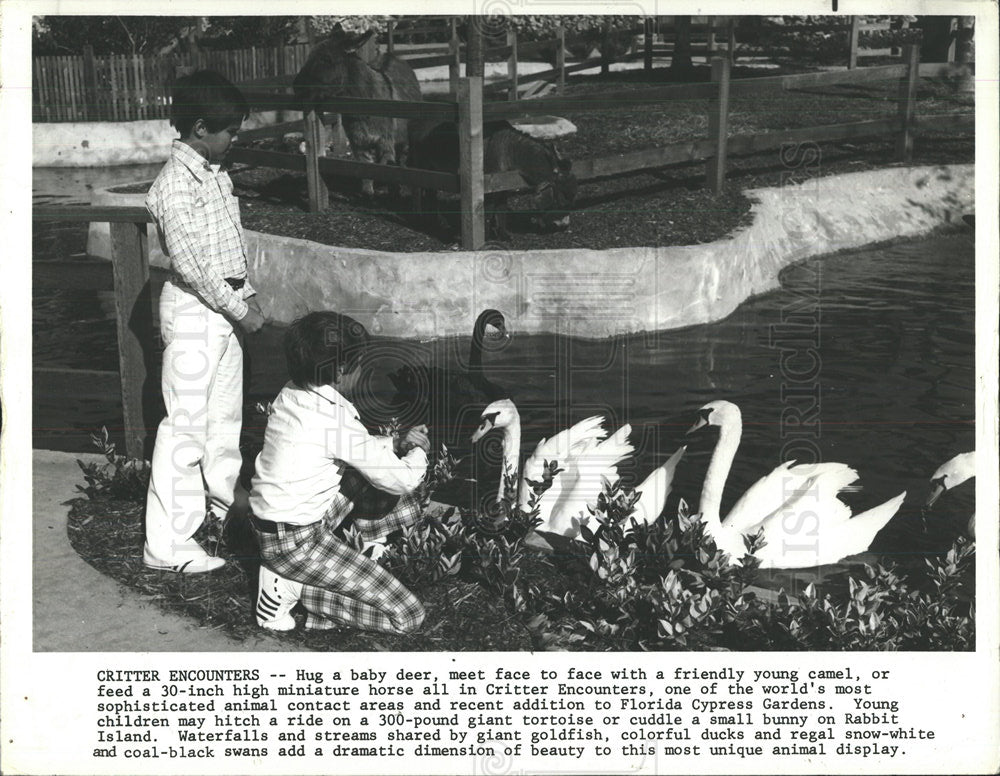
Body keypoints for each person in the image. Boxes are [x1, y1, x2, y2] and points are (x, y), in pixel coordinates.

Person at [142, 70, 264, 574]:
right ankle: (166, 544)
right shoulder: (174, 186)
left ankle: (218, 515)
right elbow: (192, 266)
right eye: (229, 130)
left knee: (223, 422)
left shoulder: (215, 173)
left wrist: (246, 296)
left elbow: (229, 248)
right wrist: (242, 310)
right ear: (198, 128)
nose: (233, 138)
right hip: (196, 313)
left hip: (223, 311)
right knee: (185, 427)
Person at [249, 311, 429, 634]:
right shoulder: (336, 421)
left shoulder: (291, 392)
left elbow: (354, 449)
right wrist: (419, 453)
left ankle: (370, 549)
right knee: (407, 616)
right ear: (344, 370)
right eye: (361, 362)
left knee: (363, 471)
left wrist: (395, 442)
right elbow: (403, 478)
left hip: (273, 528)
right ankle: (290, 589)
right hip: (297, 545)